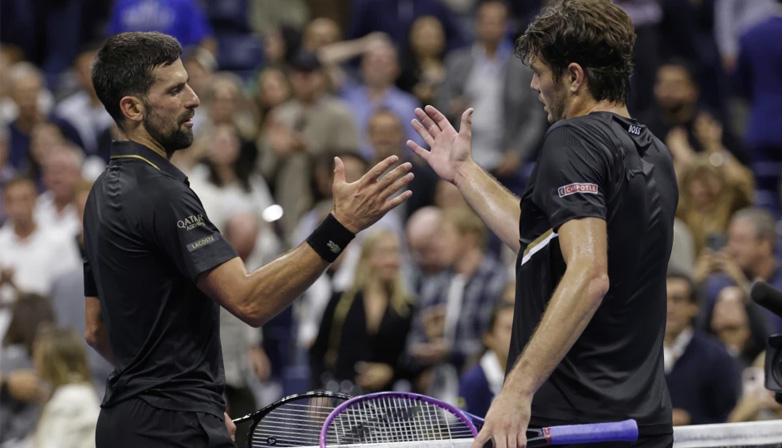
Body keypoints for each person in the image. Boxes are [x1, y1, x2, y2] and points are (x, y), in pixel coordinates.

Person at [84, 31, 413, 448]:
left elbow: (96, 330)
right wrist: (342, 225)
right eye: (175, 90)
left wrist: (179, 393)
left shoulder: (99, 193)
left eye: (188, 82)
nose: (194, 99)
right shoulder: (162, 194)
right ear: (131, 108)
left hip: (122, 423)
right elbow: (251, 301)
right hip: (173, 431)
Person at [407, 1, 677, 446]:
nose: (534, 84)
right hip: (641, 424)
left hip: (575, 427)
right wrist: (464, 173)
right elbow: (541, 241)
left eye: (539, 72)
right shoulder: (655, 153)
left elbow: (589, 274)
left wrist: (515, 389)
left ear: (574, 77)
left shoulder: (571, 138)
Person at [663, 273, 739, 425]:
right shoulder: (639, 356)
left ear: (693, 306)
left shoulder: (716, 357)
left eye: (677, 300)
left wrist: (690, 421)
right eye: (663, 299)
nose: (669, 308)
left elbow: (729, 420)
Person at [32, 326, 101, 448]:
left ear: (51, 359)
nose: (35, 361)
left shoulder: (69, 399)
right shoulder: (77, 390)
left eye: (38, 355)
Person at [458, 301, 514, 418]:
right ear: (489, 337)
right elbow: (465, 428)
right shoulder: (473, 382)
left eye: (519, 327)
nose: (515, 335)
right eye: (508, 329)